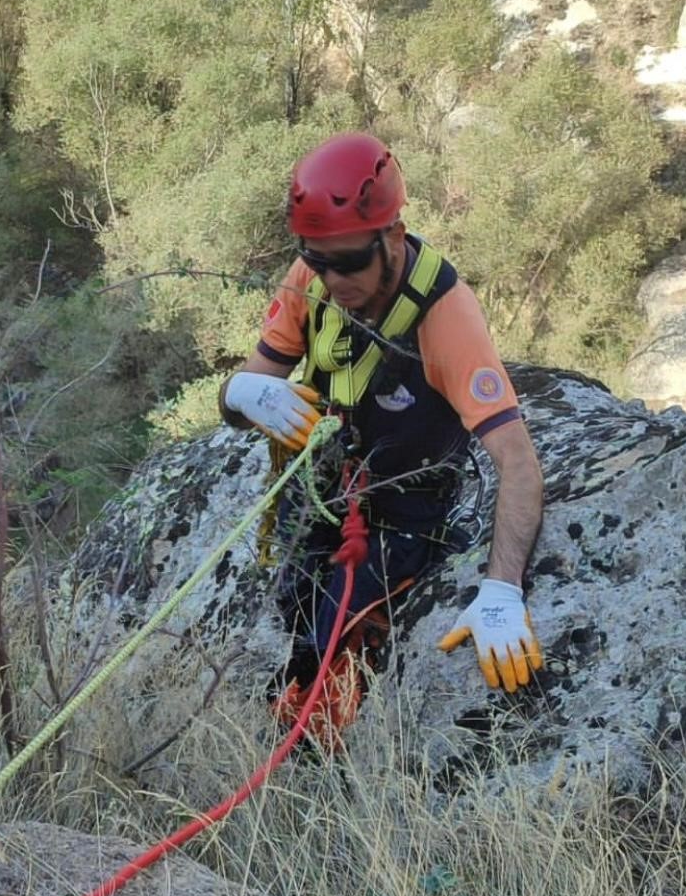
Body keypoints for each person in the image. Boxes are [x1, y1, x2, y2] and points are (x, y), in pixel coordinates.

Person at [218, 132, 544, 724]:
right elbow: (239, 396)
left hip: (400, 507)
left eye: (349, 263)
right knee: (296, 613)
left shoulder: (444, 315)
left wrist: (502, 589)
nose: (334, 279)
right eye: (318, 260)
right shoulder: (310, 277)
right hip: (315, 488)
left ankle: (322, 760)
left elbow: (517, 461)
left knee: (333, 642)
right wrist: (242, 394)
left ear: (392, 235)